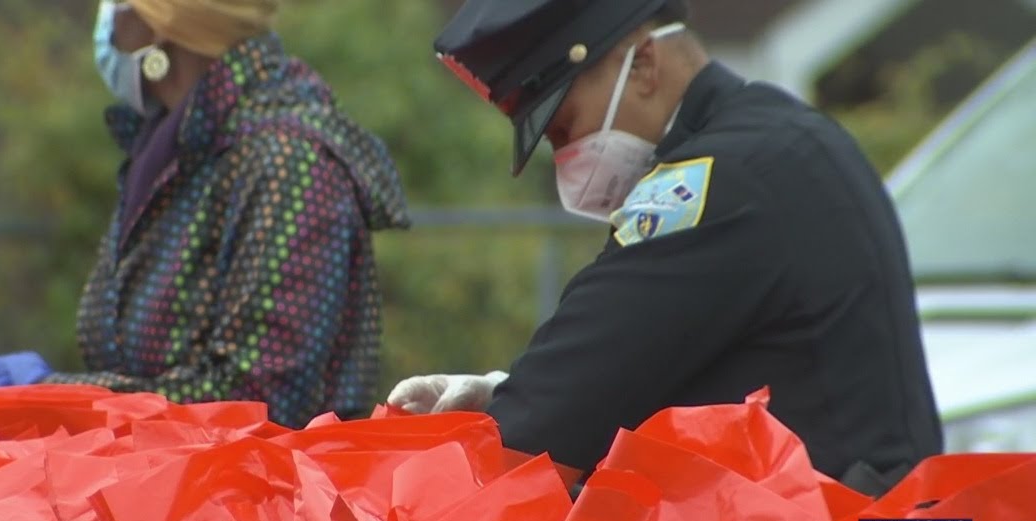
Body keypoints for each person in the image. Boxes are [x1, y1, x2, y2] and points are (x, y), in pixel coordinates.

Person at [387, 0, 942, 495]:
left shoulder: (715, 182)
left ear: (645, 65)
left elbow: (541, 430)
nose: (567, 157)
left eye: (564, 127)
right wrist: (502, 391)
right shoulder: (783, 137)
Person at [0, 0, 410, 428]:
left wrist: (51, 396)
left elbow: (261, 402)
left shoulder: (287, 162)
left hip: (261, 512)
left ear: (159, 27)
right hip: (169, 501)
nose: (104, 22)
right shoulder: (175, 152)